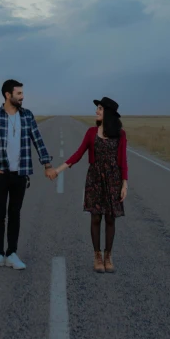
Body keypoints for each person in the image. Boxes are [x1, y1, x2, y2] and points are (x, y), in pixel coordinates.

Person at [0, 79, 54, 270]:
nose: (22, 97)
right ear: (8, 95)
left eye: (22, 93)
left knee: (15, 214)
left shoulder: (27, 116)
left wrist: (47, 164)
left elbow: (38, 140)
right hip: (0, 173)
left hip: (20, 174)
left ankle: (12, 253)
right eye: (19, 93)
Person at [48, 97, 128, 274]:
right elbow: (77, 155)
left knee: (110, 218)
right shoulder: (91, 132)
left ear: (107, 112)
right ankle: (97, 256)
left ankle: (108, 256)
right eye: (97, 108)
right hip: (94, 179)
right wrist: (58, 170)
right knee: (95, 217)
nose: (96, 111)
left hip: (113, 179)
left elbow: (123, 160)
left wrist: (124, 184)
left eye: (99, 109)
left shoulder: (120, 134)